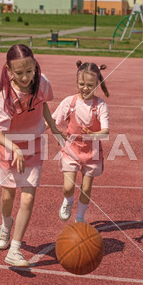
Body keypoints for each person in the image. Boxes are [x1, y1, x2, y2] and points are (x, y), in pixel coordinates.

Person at [0, 44, 63, 267]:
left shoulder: (42, 83)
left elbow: (44, 104)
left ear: (35, 66)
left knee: (28, 196)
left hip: (33, 145)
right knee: (8, 196)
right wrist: (15, 148)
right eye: (19, 73)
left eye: (29, 71)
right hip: (9, 147)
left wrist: (55, 129)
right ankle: (5, 225)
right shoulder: (6, 97)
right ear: (9, 71)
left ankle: (15, 249)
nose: (26, 77)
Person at [52, 60, 110, 223]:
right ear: (77, 82)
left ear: (97, 83)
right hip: (71, 151)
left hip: (92, 153)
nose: (85, 88)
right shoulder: (69, 102)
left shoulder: (100, 106)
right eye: (81, 84)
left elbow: (105, 132)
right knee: (68, 187)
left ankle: (80, 217)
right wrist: (57, 135)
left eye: (90, 85)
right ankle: (68, 201)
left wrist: (93, 135)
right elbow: (53, 121)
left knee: (86, 188)